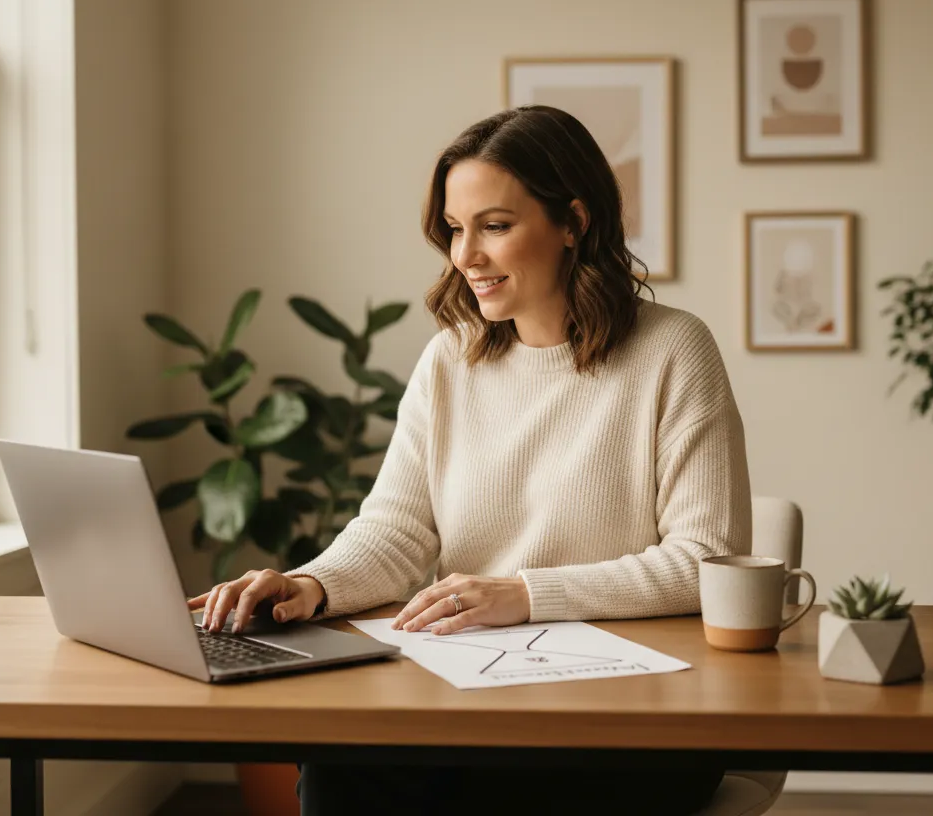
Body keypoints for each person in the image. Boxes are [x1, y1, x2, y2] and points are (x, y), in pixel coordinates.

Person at [188, 105, 752, 814]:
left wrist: (525, 595)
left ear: (573, 223)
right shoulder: (450, 359)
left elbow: (708, 560)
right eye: (455, 229)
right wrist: (311, 585)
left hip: (635, 715)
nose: (465, 257)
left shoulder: (674, 350)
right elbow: (396, 530)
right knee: (340, 768)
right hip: (479, 694)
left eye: (494, 226)